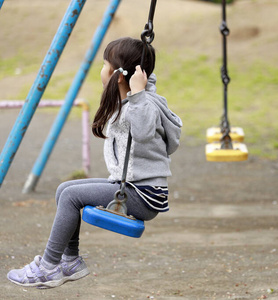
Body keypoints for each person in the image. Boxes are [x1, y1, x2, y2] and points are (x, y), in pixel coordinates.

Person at [7, 37, 182, 289]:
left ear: (118, 75)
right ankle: (70, 261)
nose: (101, 70)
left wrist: (141, 92)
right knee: (64, 190)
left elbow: (143, 132)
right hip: (132, 187)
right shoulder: (134, 101)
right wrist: (141, 86)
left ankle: (47, 267)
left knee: (70, 198)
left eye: (104, 64)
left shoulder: (143, 106)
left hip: (143, 195)